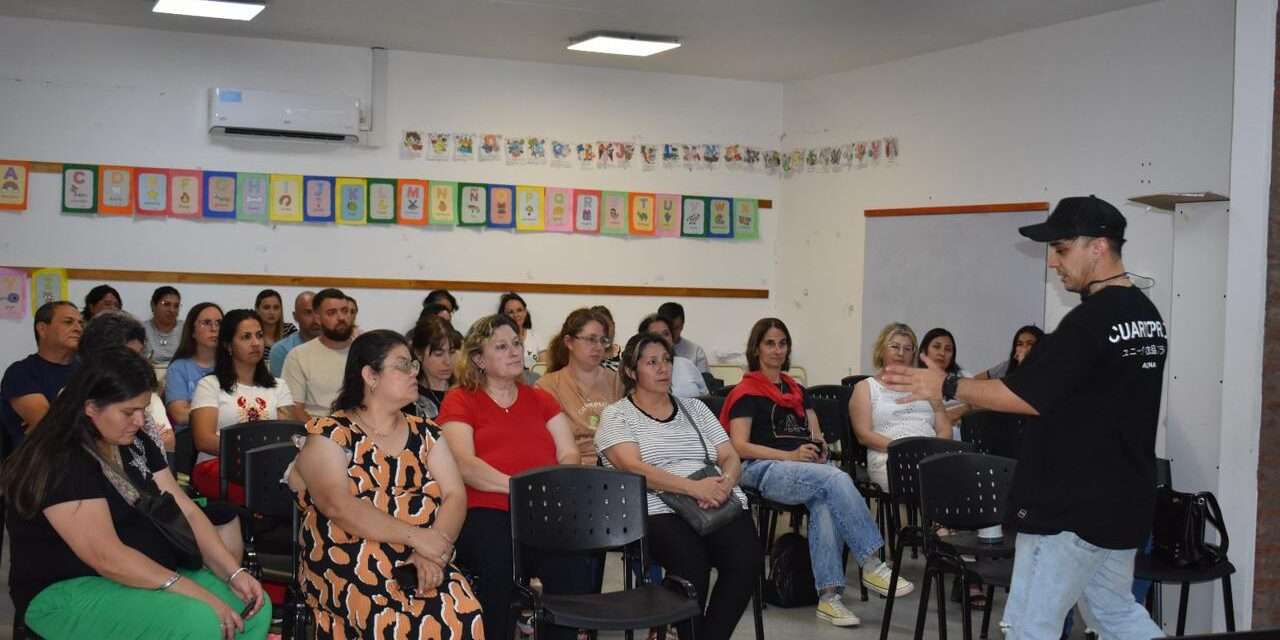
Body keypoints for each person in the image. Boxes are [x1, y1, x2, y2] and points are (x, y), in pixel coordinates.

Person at [882, 196, 1167, 640]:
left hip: (1069, 511)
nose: (1053, 262)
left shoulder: (1087, 324)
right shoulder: (1148, 318)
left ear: (1099, 247)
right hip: (1122, 503)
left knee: (1030, 627)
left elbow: (1024, 395)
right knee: (1116, 614)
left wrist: (946, 386)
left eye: (1061, 248)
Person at [2, 347, 268, 639]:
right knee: (197, 619)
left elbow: (186, 509)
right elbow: (106, 556)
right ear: (90, 407)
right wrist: (196, 593)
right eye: (129, 412)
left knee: (255, 606)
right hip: (66, 589)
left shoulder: (134, 441)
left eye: (143, 409)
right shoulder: (61, 458)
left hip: (144, 571)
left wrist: (234, 573)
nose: (141, 421)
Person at [289, 330, 481, 639]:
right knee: (390, 621)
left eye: (414, 365)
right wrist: (418, 537)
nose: (414, 373)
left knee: (463, 611)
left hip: (422, 555)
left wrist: (431, 551)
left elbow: (455, 494)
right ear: (370, 375)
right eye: (403, 365)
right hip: (347, 555)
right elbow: (336, 504)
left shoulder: (427, 432)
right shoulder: (330, 433)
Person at [724, 318, 911, 626]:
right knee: (837, 479)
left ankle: (829, 598)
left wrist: (818, 447)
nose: (777, 349)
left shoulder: (797, 390)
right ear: (756, 348)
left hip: (803, 468)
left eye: (782, 343)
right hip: (763, 468)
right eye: (769, 343)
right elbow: (740, 446)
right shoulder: (746, 392)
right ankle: (872, 562)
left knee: (825, 499)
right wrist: (789, 455)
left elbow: (815, 433)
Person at [596, 332, 760, 640]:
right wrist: (693, 488)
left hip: (715, 499)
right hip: (658, 507)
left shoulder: (695, 409)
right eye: (652, 362)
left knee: (747, 560)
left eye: (667, 360)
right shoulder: (617, 415)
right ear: (631, 371)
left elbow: (729, 455)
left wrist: (724, 485)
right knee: (691, 567)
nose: (663, 368)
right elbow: (633, 468)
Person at [437, 314, 591, 640]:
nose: (514, 352)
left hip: (544, 512)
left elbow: (569, 453)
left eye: (517, 344)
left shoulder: (540, 398)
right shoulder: (461, 399)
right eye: (501, 346)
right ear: (478, 358)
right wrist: (521, 490)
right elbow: (463, 464)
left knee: (576, 565)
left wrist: (547, 489)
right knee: (500, 567)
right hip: (486, 511)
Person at [190, 309, 304, 501]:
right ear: (228, 345)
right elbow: (203, 440)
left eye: (259, 336)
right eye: (246, 337)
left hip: (270, 467)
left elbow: (288, 437)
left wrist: (260, 457)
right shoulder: (210, 385)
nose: (255, 343)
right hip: (219, 466)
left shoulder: (279, 386)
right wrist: (254, 455)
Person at [850, 322, 953, 490]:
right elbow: (863, 434)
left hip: (929, 457)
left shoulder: (926, 386)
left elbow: (945, 429)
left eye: (907, 349)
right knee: (940, 484)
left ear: (913, 354)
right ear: (881, 350)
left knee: (965, 476)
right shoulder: (866, 387)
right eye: (894, 347)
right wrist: (905, 451)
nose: (900, 353)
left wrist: (932, 452)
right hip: (889, 457)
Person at [536, 308, 625, 465]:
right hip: (570, 468)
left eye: (603, 340)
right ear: (569, 342)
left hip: (615, 466)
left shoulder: (618, 382)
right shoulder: (547, 386)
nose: (598, 347)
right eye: (591, 339)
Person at [80, 311, 175, 452]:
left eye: (140, 354)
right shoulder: (74, 400)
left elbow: (168, 444)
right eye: (128, 412)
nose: (138, 364)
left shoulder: (150, 398)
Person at [1, 301, 81, 448]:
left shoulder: (89, 370)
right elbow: (49, 428)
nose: (78, 328)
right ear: (42, 329)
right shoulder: (21, 372)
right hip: (37, 466)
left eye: (80, 323)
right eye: (68, 322)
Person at [282, 288, 354, 418]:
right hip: (316, 431)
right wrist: (325, 434)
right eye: (332, 313)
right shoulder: (299, 356)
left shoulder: (366, 351)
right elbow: (295, 410)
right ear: (318, 318)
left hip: (362, 431)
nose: (341, 317)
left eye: (345, 311)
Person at [164, 302, 223, 428]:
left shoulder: (233, 363)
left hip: (228, 431)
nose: (214, 328)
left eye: (219, 323)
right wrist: (228, 412)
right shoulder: (178, 368)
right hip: (190, 436)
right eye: (206, 323)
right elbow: (180, 415)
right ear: (193, 332)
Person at [637, 314, 708, 398]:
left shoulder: (686, 364)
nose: (662, 339)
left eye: (666, 334)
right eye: (655, 336)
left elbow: (706, 397)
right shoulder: (641, 369)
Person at [915, 327, 972, 427]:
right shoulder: (912, 379)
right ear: (924, 350)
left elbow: (982, 404)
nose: (942, 353)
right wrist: (963, 410)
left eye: (948, 349)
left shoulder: (963, 376)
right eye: (936, 347)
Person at [407, 315, 461, 419]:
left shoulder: (466, 390)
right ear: (419, 354)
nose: (447, 361)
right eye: (438, 354)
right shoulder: (409, 397)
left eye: (452, 352)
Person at [268, 290, 317, 377]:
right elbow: (282, 388)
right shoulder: (282, 350)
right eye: (308, 313)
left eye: (318, 312)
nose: (316, 319)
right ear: (295, 316)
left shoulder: (335, 345)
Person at [974, 325, 1045, 380]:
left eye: (1030, 343)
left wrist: (1023, 364)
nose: (1024, 348)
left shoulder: (1047, 368)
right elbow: (976, 380)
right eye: (1020, 344)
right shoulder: (1007, 366)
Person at [658, 302, 709, 374]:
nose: (671, 333)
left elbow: (705, 382)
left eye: (675, 328)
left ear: (682, 325)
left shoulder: (696, 352)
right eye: (668, 329)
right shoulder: (648, 350)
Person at [498, 291, 543, 368]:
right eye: (510, 312)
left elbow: (543, 367)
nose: (516, 315)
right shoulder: (498, 339)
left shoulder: (536, 337)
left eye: (519, 310)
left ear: (525, 312)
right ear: (503, 316)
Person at [143, 286, 183, 366]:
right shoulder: (141, 329)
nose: (172, 310)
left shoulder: (186, 329)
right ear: (153, 305)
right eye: (166, 304)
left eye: (176, 306)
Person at [253, 289, 294, 365]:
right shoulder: (252, 335)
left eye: (276, 308)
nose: (272, 312)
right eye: (266, 307)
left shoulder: (289, 330)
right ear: (257, 310)